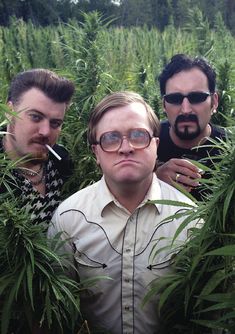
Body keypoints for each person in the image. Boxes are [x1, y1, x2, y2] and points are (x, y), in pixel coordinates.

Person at [48, 91, 199, 333]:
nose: (126, 148)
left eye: (138, 135)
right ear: (96, 153)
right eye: (110, 138)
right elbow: (56, 309)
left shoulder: (190, 220)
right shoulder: (69, 218)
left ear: (155, 146)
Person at [1, 68, 75, 224]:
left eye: (55, 123)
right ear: (9, 110)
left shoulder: (64, 163)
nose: (45, 132)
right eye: (35, 117)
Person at [157, 54, 226, 201]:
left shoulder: (231, 148)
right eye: (175, 99)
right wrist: (153, 181)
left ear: (214, 102)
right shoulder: (145, 142)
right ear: (163, 105)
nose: (186, 109)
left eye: (196, 97)